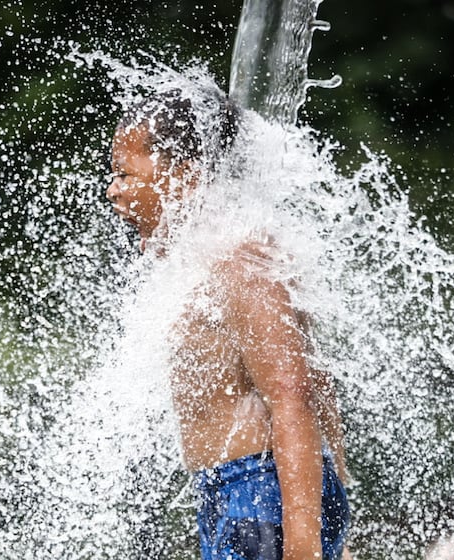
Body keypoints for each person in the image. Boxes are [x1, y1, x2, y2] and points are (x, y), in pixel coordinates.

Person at [106, 88, 350, 560]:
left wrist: (305, 543)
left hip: (260, 494)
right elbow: (319, 380)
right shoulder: (202, 263)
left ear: (184, 177)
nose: (113, 190)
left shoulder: (242, 264)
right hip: (242, 493)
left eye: (124, 173)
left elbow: (292, 395)